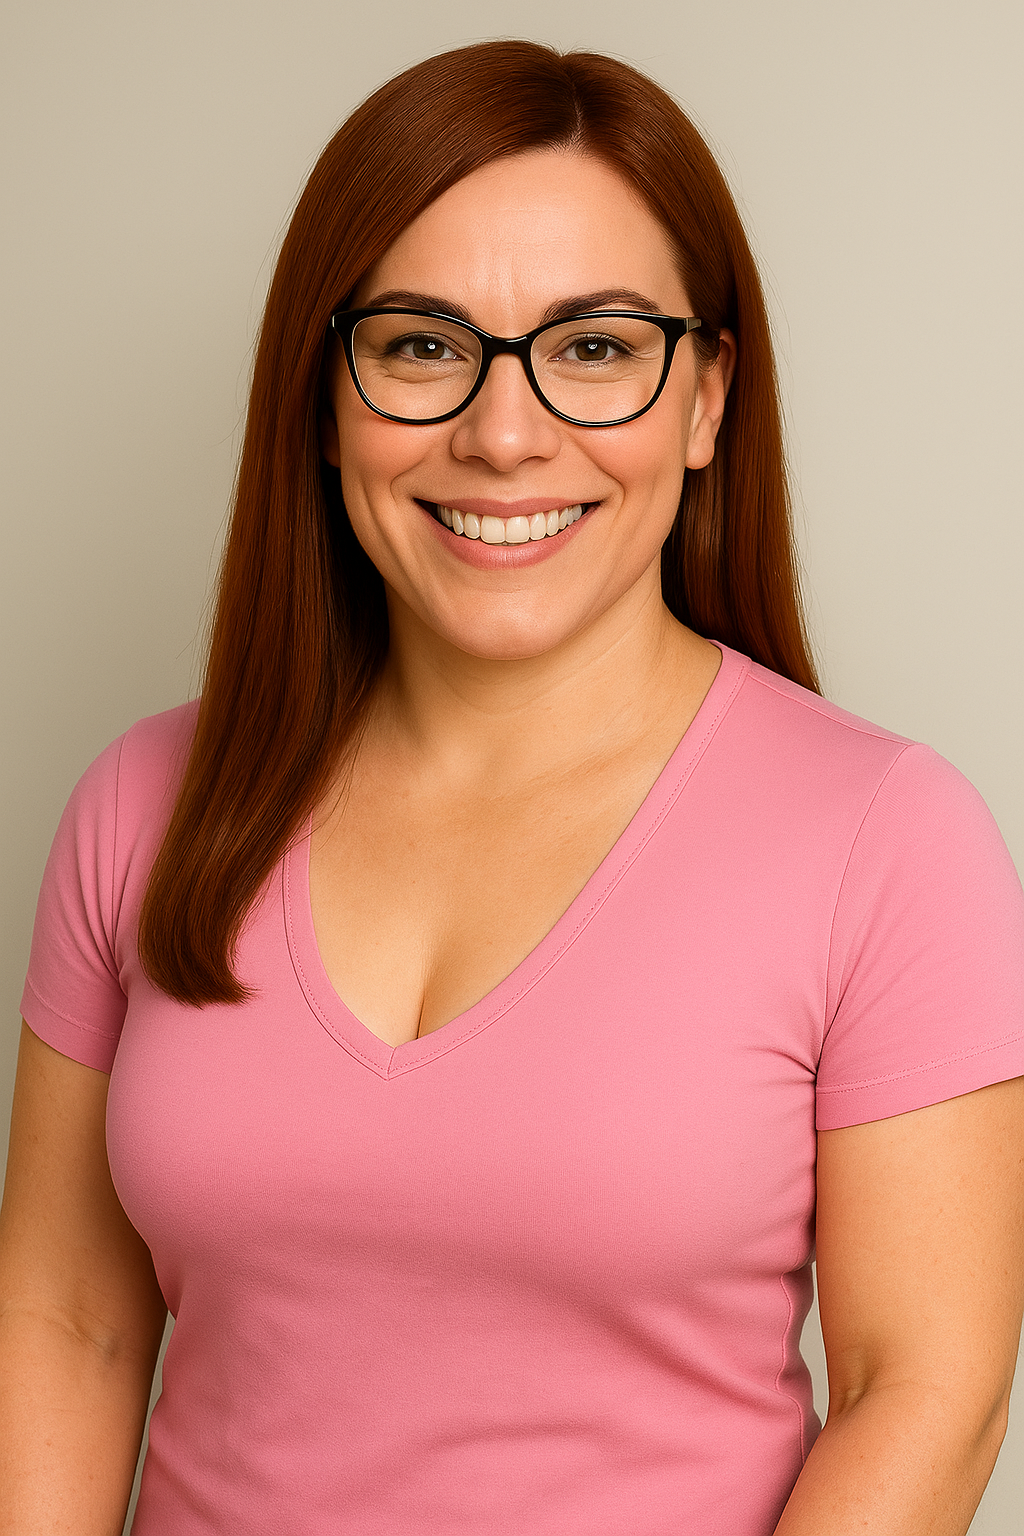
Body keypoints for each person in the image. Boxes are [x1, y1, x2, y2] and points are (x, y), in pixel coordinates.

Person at [1, 38, 1023, 1536]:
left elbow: (924, 1390)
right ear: (324, 395)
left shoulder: (886, 839)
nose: (502, 433)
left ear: (706, 398)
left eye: (595, 348)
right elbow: (70, 1327)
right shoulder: (141, 803)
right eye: (423, 345)